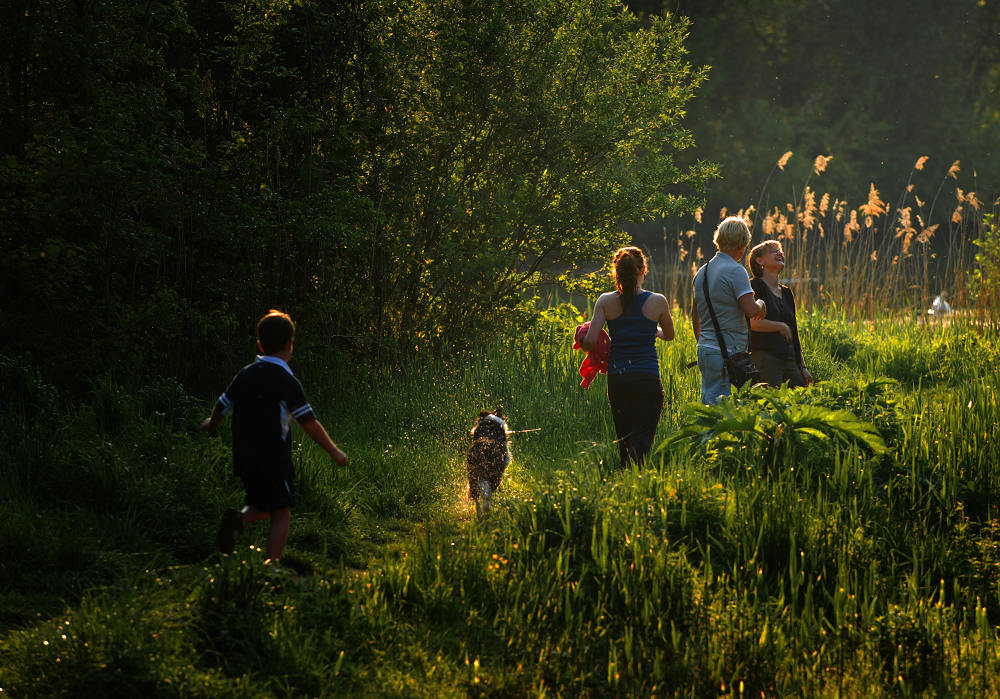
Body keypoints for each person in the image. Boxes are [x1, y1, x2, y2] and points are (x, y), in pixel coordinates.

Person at [201, 309, 348, 562]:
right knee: (281, 512)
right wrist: (334, 451)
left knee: (261, 504)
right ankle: (271, 570)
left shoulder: (245, 374)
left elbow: (221, 407)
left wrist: (211, 425)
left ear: (260, 344)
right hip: (274, 460)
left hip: (244, 458)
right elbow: (309, 423)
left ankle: (239, 520)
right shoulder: (287, 381)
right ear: (290, 344)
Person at [581, 246, 674, 468]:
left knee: (625, 439)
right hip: (647, 378)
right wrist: (654, 331)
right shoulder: (658, 301)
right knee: (642, 439)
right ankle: (634, 482)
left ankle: (624, 480)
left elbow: (590, 343)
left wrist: (584, 334)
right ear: (643, 270)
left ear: (616, 271)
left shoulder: (604, 301)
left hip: (618, 379)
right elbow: (669, 336)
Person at [691, 217, 767, 404]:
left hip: (705, 349)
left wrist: (703, 341)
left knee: (708, 405)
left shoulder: (702, 272)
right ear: (742, 242)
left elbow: (695, 313)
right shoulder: (736, 270)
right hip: (727, 352)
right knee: (720, 411)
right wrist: (762, 304)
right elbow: (751, 310)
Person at [746, 240, 813, 387]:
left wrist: (803, 367)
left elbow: (794, 332)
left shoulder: (787, 292)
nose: (780, 253)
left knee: (799, 402)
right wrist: (780, 326)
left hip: (790, 360)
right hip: (765, 358)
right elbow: (753, 323)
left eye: (780, 251)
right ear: (759, 261)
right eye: (773, 251)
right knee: (770, 403)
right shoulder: (755, 286)